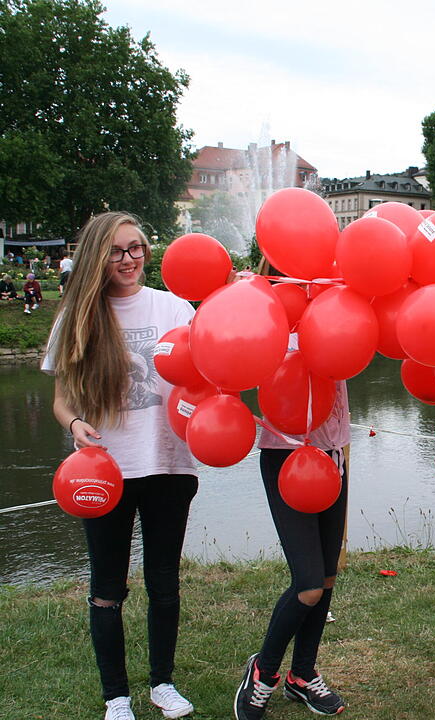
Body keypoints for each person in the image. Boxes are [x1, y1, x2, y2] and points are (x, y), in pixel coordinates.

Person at [42, 212, 199, 720]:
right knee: (107, 588)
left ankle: (162, 684)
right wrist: (74, 427)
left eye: (135, 248)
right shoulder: (77, 317)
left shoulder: (173, 306)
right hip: (103, 470)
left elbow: (210, 368)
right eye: (116, 250)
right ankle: (116, 697)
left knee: (164, 582)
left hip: (170, 464)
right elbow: (62, 401)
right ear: (96, 256)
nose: (128, 259)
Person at [234, 262, 349, 720]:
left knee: (326, 580)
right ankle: (263, 672)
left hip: (334, 454)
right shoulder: (262, 310)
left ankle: (303, 676)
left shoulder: (336, 303)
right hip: (286, 457)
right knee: (306, 585)